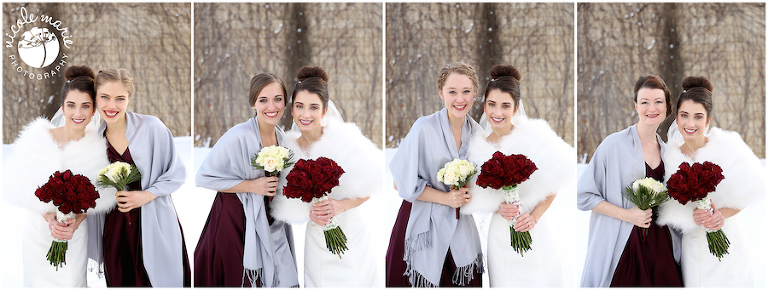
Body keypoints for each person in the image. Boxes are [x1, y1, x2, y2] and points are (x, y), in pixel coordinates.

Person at [462, 65, 574, 287]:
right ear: (484, 106)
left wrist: (534, 217)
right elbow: (474, 193)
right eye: (491, 105)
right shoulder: (477, 149)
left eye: (505, 106)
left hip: (535, 227)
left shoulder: (534, 137)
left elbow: (554, 184)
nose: (497, 113)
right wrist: (497, 207)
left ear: (515, 109)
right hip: (501, 233)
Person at [270, 66, 383, 287]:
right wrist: (310, 212)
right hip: (317, 238)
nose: (305, 114)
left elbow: (370, 186)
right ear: (292, 110)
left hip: (351, 232)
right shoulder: (287, 150)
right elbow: (286, 200)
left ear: (324, 111)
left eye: (313, 107)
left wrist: (341, 205)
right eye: (300, 106)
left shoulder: (344, 139)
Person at [3, 65, 115, 287]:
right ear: (62, 108)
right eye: (71, 105)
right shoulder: (39, 140)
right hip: (39, 232)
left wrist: (73, 223)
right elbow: (18, 184)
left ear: (94, 110)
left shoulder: (97, 148)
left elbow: (101, 195)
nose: (78, 113)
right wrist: (49, 218)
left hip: (74, 234)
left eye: (85, 106)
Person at [657, 76, 764, 287]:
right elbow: (667, 205)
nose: (690, 123)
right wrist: (692, 214)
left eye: (698, 117)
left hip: (728, 240)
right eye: (684, 115)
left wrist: (720, 215)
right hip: (692, 245)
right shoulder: (669, 156)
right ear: (676, 119)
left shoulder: (727, 145)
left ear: (708, 120)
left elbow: (751, 189)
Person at [194, 73, 299, 287]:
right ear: (253, 102)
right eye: (263, 100)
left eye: (278, 99)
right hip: (235, 221)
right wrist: (251, 186)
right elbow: (203, 177)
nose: (272, 106)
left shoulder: (283, 138)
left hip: (272, 221)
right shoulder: (238, 135)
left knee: (284, 278)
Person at [385, 62, 484, 287]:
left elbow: (482, 185)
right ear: (441, 93)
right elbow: (398, 183)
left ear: (475, 93)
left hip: (460, 225)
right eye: (452, 92)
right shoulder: (423, 128)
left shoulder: (479, 135)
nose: (460, 99)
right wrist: (445, 198)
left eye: (466, 91)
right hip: (420, 225)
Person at [577, 75, 682, 287]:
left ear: (667, 106)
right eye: (644, 102)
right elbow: (584, 196)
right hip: (623, 248)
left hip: (661, 249)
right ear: (635, 105)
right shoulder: (613, 145)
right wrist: (627, 215)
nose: (651, 108)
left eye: (658, 101)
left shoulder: (669, 153)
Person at [91, 68, 191, 287]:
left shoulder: (152, 128)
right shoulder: (93, 140)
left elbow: (176, 173)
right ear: (95, 98)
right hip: (116, 229)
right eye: (105, 97)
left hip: (156, 220)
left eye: (120, 98)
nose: (112, 106)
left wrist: (146, 195)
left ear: (129, 99)